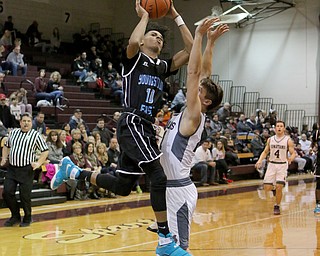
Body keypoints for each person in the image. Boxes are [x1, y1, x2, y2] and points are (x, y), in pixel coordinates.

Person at [51, 1, 193, 255]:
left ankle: (73, 171)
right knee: (159, 177)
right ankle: (164, 241)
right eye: (154, 34)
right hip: (132, 123)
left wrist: (176, 16)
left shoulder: (161, 68)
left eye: (161, 37)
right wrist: (145, 17)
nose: (158, 38)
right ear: (144, 40)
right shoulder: (134, 59)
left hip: (145, 128)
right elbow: (132, 42)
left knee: (122, 186)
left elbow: (191, 50)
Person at [1, 113, 48, 227]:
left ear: (31, 123)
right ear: (20, 122)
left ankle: (27, 217)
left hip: (26, 169)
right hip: (12, 169)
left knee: (24, 196)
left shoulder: (35, 135)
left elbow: (45, 150)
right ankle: (15, 216)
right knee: (7, 193)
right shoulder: (14, 133)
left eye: (28, 121)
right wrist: (4, 158)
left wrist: (38, 163)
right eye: (24, 121)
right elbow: (7, 146)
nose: (26, 123)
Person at [255, 120, 295, 215]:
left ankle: (277, 205)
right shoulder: (270, 139)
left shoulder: (288, 140)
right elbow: (265, 152)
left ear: (284, 128)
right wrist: (260, 160)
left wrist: (290, 159)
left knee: (279, 186)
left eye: (281, 126)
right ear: (275, 128)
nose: (279, 128)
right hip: (272, 164)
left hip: (282, 165)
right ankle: (273, 189)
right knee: (267, 187)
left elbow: (293, 153)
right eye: (278, 126)